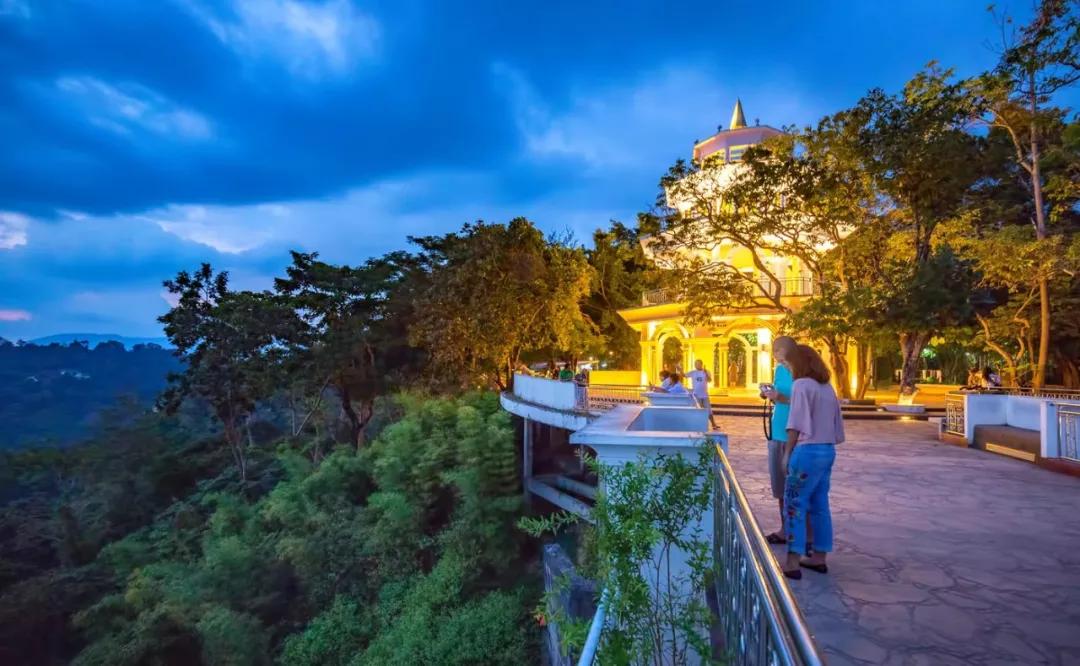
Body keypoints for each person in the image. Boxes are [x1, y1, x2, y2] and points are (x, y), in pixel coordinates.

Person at [780, 344, 844, 580]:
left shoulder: (801, 385)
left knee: (794, 504)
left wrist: (787, 453)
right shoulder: (827, 387)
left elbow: (795, 422)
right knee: (819, 504)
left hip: (806, 452)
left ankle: (792, 562)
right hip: (826, 451)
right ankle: (819, 556)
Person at [761, 336, 797, 544]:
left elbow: (804, 400)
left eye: (778, 352)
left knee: (797, 487)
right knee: (780, 487)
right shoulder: (780, 371)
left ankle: (802, 535)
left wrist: (780, 398)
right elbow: (779, 392)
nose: (775, 357)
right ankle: (785, 529)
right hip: (776, 433)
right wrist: (768, 393)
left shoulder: (803, 373)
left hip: (795, 434)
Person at [686, 360, 718, 429]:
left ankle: (713, 424)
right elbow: (684, 375)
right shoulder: (693, 372)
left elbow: (709, 380)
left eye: (698, 364)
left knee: (709, 410)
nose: (696, 365)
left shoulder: (706, 372)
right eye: (695, 364)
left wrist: (706, 373)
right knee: (698, 410)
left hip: (705, 395)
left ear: (701, 364)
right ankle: (698, 425)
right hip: (696, 395)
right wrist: (679, 369)